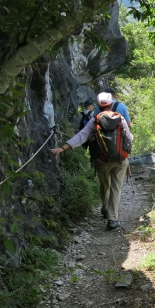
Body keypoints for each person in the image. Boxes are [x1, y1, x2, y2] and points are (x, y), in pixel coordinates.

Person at [51, 92, 133, 230]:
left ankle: (105, 208)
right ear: (111, 104)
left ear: (98, 106)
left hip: (101, 160)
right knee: (116, 188)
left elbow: (81, 136)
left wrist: (63, 147)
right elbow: (129, 138)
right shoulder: (120, 119)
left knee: (104, 185)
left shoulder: (95, 120)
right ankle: (112, 219)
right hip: (120, 159)